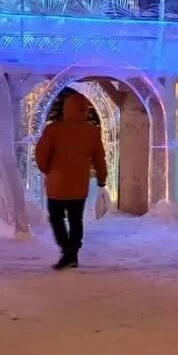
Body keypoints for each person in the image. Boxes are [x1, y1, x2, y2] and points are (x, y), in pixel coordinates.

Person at [35, 93, 107, 270]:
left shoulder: (53, 130)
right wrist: (101, 179)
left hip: (56, 184)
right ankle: (72, 252)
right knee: (76, 220)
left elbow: (41, 154)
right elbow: (99, 159)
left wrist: (47, 170)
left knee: (56, 218)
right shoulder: (91, 131)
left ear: (67, 108)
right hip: (79, 185)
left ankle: (67, 250)